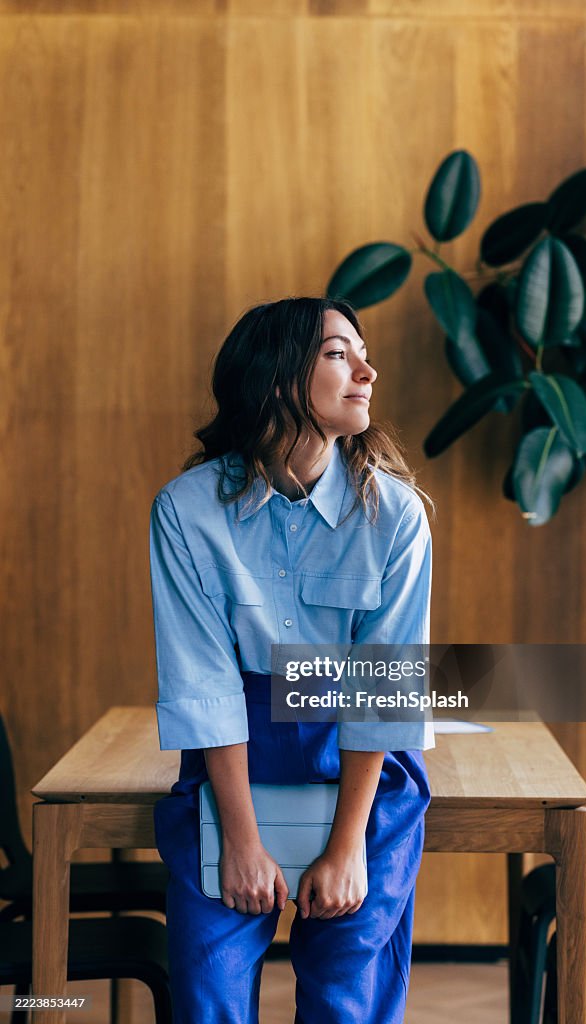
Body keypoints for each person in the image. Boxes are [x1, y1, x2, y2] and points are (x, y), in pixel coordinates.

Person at [149, 296, 437, 1024]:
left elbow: (383, 692)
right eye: (339, 353)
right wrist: (242, 842)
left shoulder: (396, 515)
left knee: (349, 989)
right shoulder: (185, 510)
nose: (367, 372)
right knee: (208, 985)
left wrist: (348, 848)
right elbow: (203, 682)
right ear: (275, 376)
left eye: (363, 354)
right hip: (231, 762)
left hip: (364, 768)